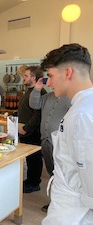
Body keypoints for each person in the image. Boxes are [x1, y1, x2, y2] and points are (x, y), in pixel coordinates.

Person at [41, 43, 93, 225]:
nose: (48, 82)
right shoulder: (82, 107)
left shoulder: (81, 114)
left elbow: (90, 175)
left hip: (76, 214)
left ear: (68, 73)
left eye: (51, 76)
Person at [29, 77, 70, 212]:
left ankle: (61, 204)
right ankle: (54, 202)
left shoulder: (70, 97)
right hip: (46, 140)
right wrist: (37, 89)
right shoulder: (47, 97)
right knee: (51, 172)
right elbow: (34, 104)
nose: (51, 83)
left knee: (61, 175)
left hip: (61, 143)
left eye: (53, 78)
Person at [18, 66, 46, 193]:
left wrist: (26, 128)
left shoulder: (40, 92)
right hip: (25, 130)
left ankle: (34, 183)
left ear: (34, 78)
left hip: (33, 131)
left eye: (26, 76)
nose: (23, 78)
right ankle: (30, 179)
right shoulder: (29, 91)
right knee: (29, 158)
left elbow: (38, 114)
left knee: (34, 157)